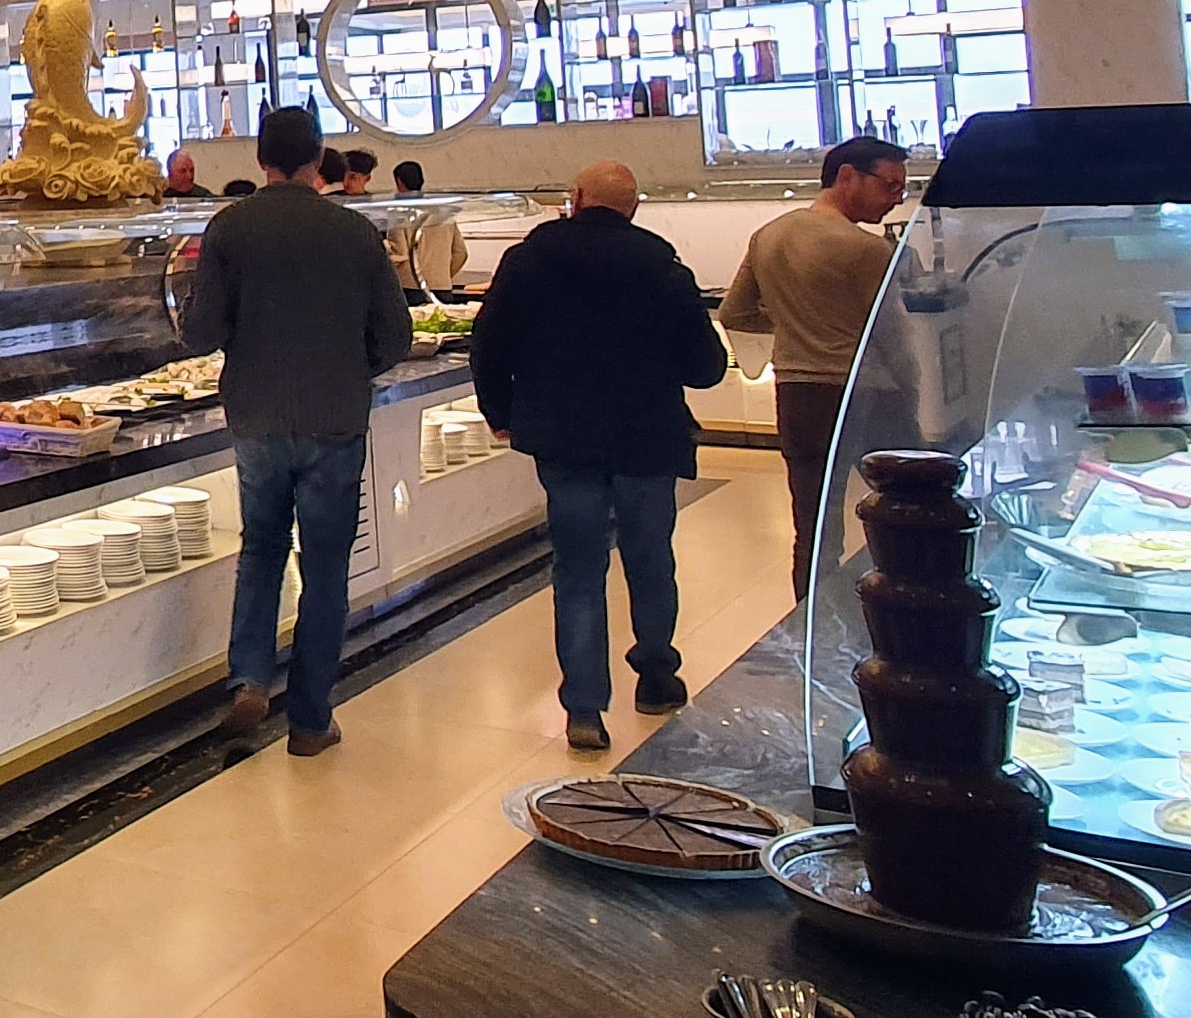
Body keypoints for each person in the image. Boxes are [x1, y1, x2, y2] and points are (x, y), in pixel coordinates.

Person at [470, 160, 731, 754]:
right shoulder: (663, 268)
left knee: (578, 569)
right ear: (633, 207)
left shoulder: (528, 261)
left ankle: (584, 708)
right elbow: (706, 367)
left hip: (563, 438)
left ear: (576, 198)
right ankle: (657, 674)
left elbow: (489, 344)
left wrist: (501, 412)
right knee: (650, 556)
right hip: (647, 436)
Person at [179, 106, 413, 757]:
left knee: (261, 548)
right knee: (327, 565)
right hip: (334, 417)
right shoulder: (354, 230)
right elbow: (395, 335)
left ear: (260, 160)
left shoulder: (229, 227)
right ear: (317, 161)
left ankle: (250, 679)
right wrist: (351, 368)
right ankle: (310, 720)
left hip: (256, 415)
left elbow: (201, 331)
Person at [719, 134, 912, 596]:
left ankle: (811, 624)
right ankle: (900, 610)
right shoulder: (867, 249)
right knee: (906, 510)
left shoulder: (769, 236)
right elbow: (893, 338)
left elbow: (733, 313)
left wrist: (790, 323)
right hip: (863, 394)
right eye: (889, 186)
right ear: (847, 176)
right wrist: (916, 396)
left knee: (813, 525)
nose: (896, 199)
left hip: (797, 396)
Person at [390, 159, 467, 297]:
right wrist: (443, 274)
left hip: (410, 286)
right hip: (442, 286)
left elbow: (399, 253)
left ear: (399, 182)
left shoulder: (399, 212)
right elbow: (461, 253)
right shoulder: (444, 213)